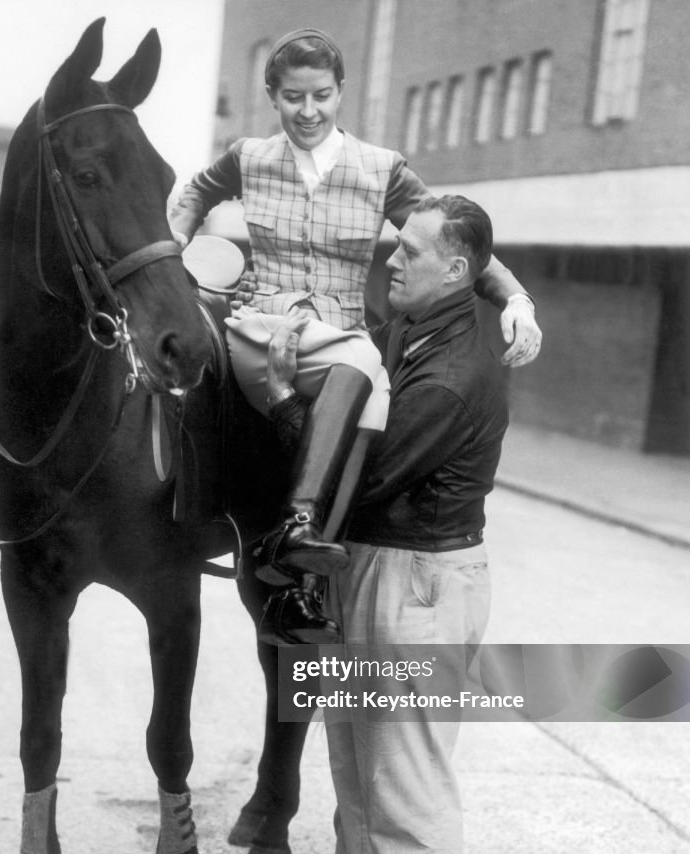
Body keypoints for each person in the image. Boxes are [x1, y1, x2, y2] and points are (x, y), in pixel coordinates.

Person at [169, 27, 540, 635]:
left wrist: (516, 299)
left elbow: (461, 248)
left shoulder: (381, 169)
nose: (307, 111)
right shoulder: (248, 157)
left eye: (320, 95)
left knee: (374, 396)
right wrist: (175, 245)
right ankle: (200, 515)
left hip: (340, 336)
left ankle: (305, 574)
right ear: (273, 96)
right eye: (292, 97)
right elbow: (196, 194)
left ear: (341, 93)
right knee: (210, 364)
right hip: (264, 327)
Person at [256, 195, 510, 854]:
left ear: (456, 269)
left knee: (406, 774)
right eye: (393, 247)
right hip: (381, 565)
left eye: (410, 251)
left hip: (419, 581)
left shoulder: (452, 375)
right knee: (355, 761)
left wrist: (281, 399)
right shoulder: (423, 319)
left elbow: (356, 479)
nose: (391, 260)